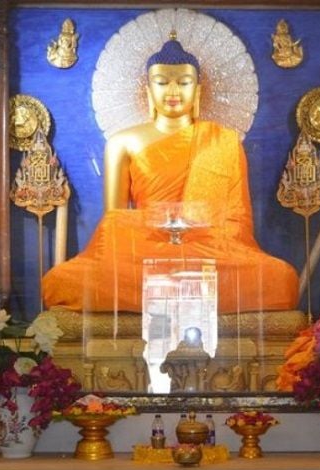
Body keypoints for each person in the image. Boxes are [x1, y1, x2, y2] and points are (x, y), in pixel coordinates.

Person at [41, 36, 299, 314]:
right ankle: (188, 293)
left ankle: (168, 293)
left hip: (211, 253)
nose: (173, 90)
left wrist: (196, 229)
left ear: (198, 89)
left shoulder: (222, 140)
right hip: (143, 252)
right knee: (61, 281)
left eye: (184, 82)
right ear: (148, 88)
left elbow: (235, 222)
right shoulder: (123, 142)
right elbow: (115, 223)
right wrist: (158, 223)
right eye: (162, 82)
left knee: (281, 278)